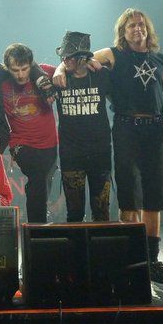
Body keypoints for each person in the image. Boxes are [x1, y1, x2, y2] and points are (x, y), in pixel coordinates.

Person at [54, 9, 163, 285]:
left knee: (154, 195)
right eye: (131, 25)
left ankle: (152, 260)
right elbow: (80, 60)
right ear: (123, 31)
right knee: (129, 194)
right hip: (126, 127)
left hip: (155, 128)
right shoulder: (113, 54)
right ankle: (131, 259)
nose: (137, 28)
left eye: (141, 24)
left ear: (148, 29)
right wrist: (59, 68)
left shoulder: (161, 60)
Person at [52, 31, 112, 223]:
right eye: (63, 56)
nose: (65, 59)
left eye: (70, 56)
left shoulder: (102, 75)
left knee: (101, 211)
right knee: (74, 213)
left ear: (83, 57)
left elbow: (118, 59)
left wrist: (93, 60)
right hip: (71, 153)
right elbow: (34, 68)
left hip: (100, 152)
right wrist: (59, 68)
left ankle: (101, 244)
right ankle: (76, 244)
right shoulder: (58, 79)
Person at [0, 43, 58, 223]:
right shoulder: (1, 82)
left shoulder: (45, 73)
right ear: (7, 68)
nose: (20, 75)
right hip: (21, 143)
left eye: (24, 69)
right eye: (15, 70)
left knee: (43, 182)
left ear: (31, 65)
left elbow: (67, 69)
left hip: (49, 143)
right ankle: (36, 227)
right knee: (37, 177)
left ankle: (38, 219)